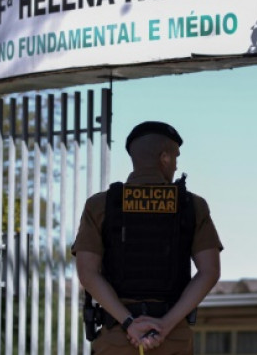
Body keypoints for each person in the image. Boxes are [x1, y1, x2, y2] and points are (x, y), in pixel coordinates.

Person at [72, 121, 222, 354]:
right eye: (175, 158)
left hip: (117, 338)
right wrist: (166, 324)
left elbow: (87, 273)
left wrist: (130, 323)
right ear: (164, 158)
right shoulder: (192, 205)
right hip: (172, 339)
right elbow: (210, 271)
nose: (175, 166)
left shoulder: (101, 205)